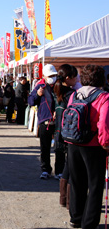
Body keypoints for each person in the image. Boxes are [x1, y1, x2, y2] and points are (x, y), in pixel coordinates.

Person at [64, 65, 109, 228]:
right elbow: (103, 123)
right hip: (93, 145)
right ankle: (89, 223)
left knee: (77, 181)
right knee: (95, 185)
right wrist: (106, 144)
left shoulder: (75, 94)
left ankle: (76, 217)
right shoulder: (104, 97)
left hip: (73, 142)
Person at [28, 64, 65, 180]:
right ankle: (45, 170)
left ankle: (59, 171)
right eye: (49, 75)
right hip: (45, 121)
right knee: (45, 147)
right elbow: (30, 101)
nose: (52, 77)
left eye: (54, 75)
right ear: (44, 76)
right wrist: (38, 95)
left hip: (59, 121)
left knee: (59, 147)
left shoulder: (61, 85)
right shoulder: (40, 86)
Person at [53, 64, 78, 207]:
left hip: (60, 132)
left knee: (67, 167)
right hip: (70, 133)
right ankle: (70, 201)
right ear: (68, 78)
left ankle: (64, 199)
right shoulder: (71, 94)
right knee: (71, 167)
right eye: (75, 77)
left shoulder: (57, 91)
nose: (77, 79)